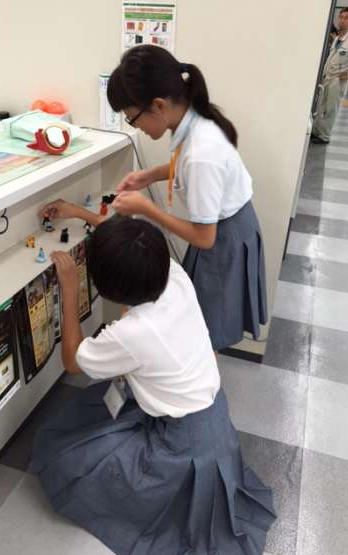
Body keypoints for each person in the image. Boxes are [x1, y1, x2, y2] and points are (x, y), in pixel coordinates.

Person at [30, 216, 276, 555]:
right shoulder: (175, 276)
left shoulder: (132, 334)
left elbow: (72, 360)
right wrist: (78, 212)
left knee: (69, 460)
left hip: (183, 449)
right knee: (97, 413)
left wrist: (69, 290)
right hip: (216, 421)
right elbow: (131, 243)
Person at [105, 45, 267, 352]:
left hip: (222, 239)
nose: (136, 127)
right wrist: (150, 175)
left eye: (132, 118)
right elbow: (187, 167)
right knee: (203, 322)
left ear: (158, 105)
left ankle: (204, 379)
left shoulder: (201, 152)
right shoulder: (193, 123)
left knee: (206, 331)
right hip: (226, 229)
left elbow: (204, 238)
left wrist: (146, 208)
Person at [312, 7, 348, 144]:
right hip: (328, 78)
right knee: (322, 107)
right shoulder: (338, 39)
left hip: (337, 80)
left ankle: (324, 136)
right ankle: (317, 131)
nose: (342, 20)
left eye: (346, 18)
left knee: (330, 109)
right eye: (341, 17)